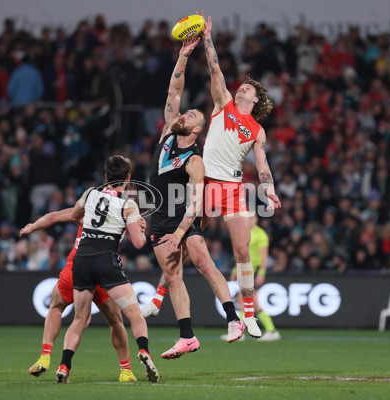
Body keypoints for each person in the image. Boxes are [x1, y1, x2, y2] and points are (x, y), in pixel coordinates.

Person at [142, 37, 245, 359]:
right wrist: (183, 56)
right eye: (185, 113)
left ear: (198, 130)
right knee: (173, 277)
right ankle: (187, 336)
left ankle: (233, 319)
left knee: (202, 262)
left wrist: (181, 231)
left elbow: (197, 203)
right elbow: (174, 91)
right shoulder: (166, 135)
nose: (183, 115)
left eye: (191, 116)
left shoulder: (195, 161)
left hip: (181, 220)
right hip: (158, 219)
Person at [200, 11, 282, 337]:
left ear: (256, 98)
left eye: (249, 87)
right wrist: (207, 36)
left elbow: (262, 165)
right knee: (188, 239)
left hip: (233, 186)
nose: (242, 86)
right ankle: (162, 296)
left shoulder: (257, 130)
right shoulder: (223, 104)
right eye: (243, 84)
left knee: (242, 251)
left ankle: (248, 314)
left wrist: (270, 189)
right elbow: (215, 68)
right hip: (205, 182)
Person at [57, 155, 159, 383]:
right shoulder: (128, 204)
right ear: (129, 178)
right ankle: (144, 351)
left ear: (105, 176)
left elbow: (74, 216)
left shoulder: (91, 193)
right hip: (106, 259)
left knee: (80, 319)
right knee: (133, 313)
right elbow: (139, 243)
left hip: (82, 259)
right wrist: (139, 227)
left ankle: (64, 365)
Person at [20, 208, 145, 383]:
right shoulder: (122, 211)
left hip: (77, 265)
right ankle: (125, 370)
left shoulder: (87, 210)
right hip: (104, 268)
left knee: (59, 308)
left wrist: (33, 226)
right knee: (116, 321)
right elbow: (138, 240)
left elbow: (54, 216)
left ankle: (46, 357)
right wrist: (141, 227)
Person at [223, 212, 281, 341]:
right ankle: (259, 331)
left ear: (256, 219)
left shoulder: (261, 234)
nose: (250, 219)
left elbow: (264, 256)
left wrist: (262, 272)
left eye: (253, 217)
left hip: (253, 271)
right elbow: (240, 254)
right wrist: (234, 270)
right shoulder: (243, 233)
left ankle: (269, 330)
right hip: (244, 270)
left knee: (249, 300)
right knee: (243, 300)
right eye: (248, 217)